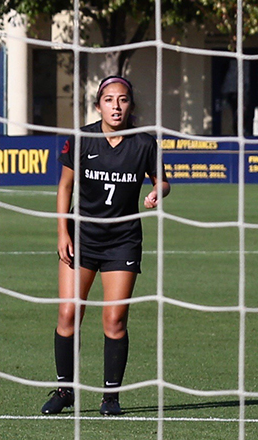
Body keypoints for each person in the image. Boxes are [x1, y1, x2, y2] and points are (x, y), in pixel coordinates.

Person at [42, 76, 168, 417]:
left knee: (114, 320)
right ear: (98, 105)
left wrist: (159, 192)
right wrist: (61, 233)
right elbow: (64, 188)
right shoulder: (82, 139)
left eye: (123, 100)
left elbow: (163, 181)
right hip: (81, 236)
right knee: (68, 313)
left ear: (130, 105)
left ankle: (110, 397)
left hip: (122, 240)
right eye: (109, 100)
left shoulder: (144, 143)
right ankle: (64, 390)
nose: (116, 106)